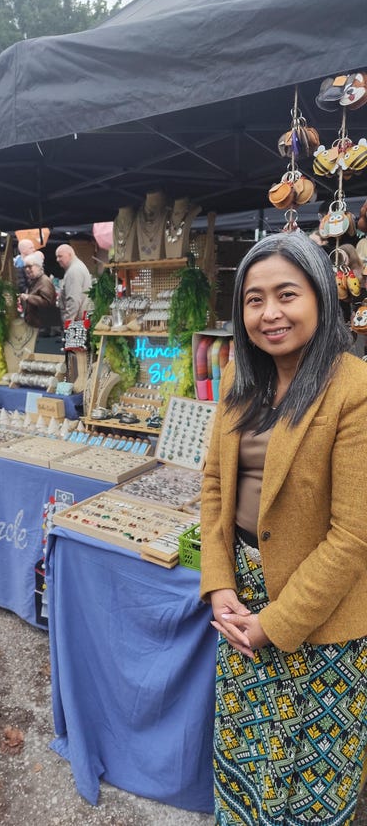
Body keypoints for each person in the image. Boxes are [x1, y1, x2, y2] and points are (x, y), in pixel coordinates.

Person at [200, 231, 367, 825]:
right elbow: (214, 486)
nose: (269, 313)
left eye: (286, 294)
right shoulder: (237, 380)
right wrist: (219, 583)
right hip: (242, 604)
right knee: (248, 764)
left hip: (322, 617)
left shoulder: (353, 389)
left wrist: (275, 623)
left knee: (311, 786)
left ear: (320, 296)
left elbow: (353, 536)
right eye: (254, 299)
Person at [18, 251, 57, 329]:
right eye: (25, 267)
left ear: (38, 266)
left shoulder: (44, 281)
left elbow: (47, 303)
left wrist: (28, 297)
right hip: (36, 323)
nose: (27, 269)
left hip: (43, 325)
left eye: (30, 266)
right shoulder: (35, 280)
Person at [55, 243, 92, 323]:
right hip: (81, 318)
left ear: (70, 255)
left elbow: (73, 299)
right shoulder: (77, 267)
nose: (57, 259)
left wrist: (68, 322)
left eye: (60, 256)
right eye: (57, 257)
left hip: (77, 321)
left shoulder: (73, 271)